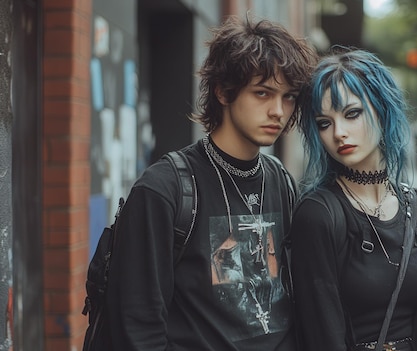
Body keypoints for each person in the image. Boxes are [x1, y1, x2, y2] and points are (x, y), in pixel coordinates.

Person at [106, 16, 317, 350]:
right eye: (262, 93)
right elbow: (138, 324)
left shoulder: (281, 181)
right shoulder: (166, 189)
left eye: (289, 97)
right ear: (222, 90)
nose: (278, 110)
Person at [289, 47, 417, 351]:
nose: (339, 132)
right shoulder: (318, 216)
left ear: (381, 109)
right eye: (324, 123)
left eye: (352, 114)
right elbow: (321, 337)